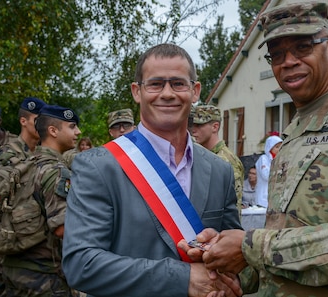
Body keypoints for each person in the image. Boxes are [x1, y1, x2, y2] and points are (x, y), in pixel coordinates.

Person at [184, 2, 328, 296]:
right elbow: (283, 246)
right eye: (277, 54)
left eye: (303, 47)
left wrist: (249, 246)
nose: (288, 61)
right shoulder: (296, 132)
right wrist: (222, 261)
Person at [62, 43, 243, 297]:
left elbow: (237, 261)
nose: (167, 93)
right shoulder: (97, 166)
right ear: (137, 92)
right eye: (156, 84)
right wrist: (183, 278)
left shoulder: (220, 170)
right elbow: (81, 265)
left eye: (178, 84)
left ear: (195, 91)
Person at [1, 104, 81, 296]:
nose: (78, 132)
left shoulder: (26, 164)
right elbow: (63, 228)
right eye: (72, 126)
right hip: (45, 278)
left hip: (14, 271)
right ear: (53, 131)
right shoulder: (55, 171)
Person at [0, 97, 46, 297]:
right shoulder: (8, 155)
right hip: (4, 252)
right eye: (36, 119)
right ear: (23, 121)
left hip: (31, 249)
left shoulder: (42, 153)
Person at [191, 105, 245, 213]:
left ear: (215, 127)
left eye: (199, 125)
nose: (193, 130)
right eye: (192, 125)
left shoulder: (226, 161)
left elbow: (233, 207)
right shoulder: (198, 155)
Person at [255, 135, 282, 208]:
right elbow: (266, 175)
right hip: (263, 198)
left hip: (274, 198)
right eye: (276, 147)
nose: (279, 149)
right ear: (270, 148)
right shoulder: (263, 159)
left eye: (280, 147)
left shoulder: (278, 160)